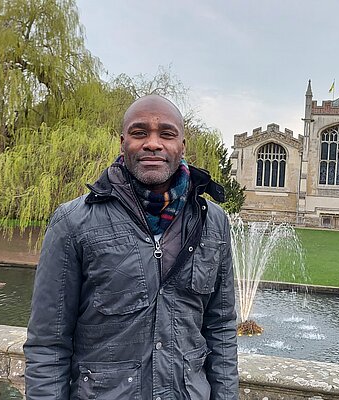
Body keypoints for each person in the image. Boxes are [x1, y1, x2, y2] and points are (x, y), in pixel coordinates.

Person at [24, 95, 239, 400]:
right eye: (140, 133)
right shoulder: (74, 222)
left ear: (182, 145)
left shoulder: (212, 222)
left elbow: (221, 330)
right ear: (123, 142)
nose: (153, 143)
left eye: (166, 134)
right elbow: (48, 343)